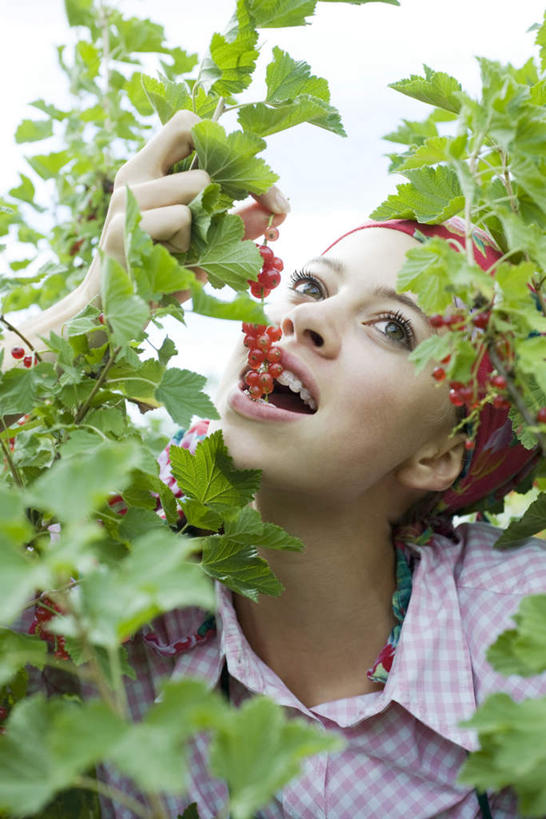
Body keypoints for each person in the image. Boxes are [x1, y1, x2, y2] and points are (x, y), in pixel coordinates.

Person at [5, 111, 546, 818]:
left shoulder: (514, 629)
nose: (308, 320)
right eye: (312, 286)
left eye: (392, 326)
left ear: (438, 453)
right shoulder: (105, 590)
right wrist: (94, 303)